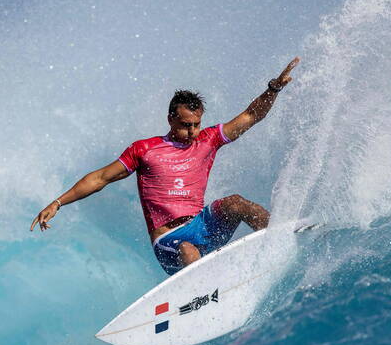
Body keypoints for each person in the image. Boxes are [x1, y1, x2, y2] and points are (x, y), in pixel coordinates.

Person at [31, 57, 300, 275]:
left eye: (196, 124)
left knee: (236, 203)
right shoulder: (144, 150)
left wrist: (273, 88)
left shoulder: (208, 140)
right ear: (171, 119)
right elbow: (101, 178)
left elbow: (251, 116)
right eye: (186, 125)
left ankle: (280, 239)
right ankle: (203, 296)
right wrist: (58, 202)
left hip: (202, 226)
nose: (193, 131)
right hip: (170, 242)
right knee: (187, 248)